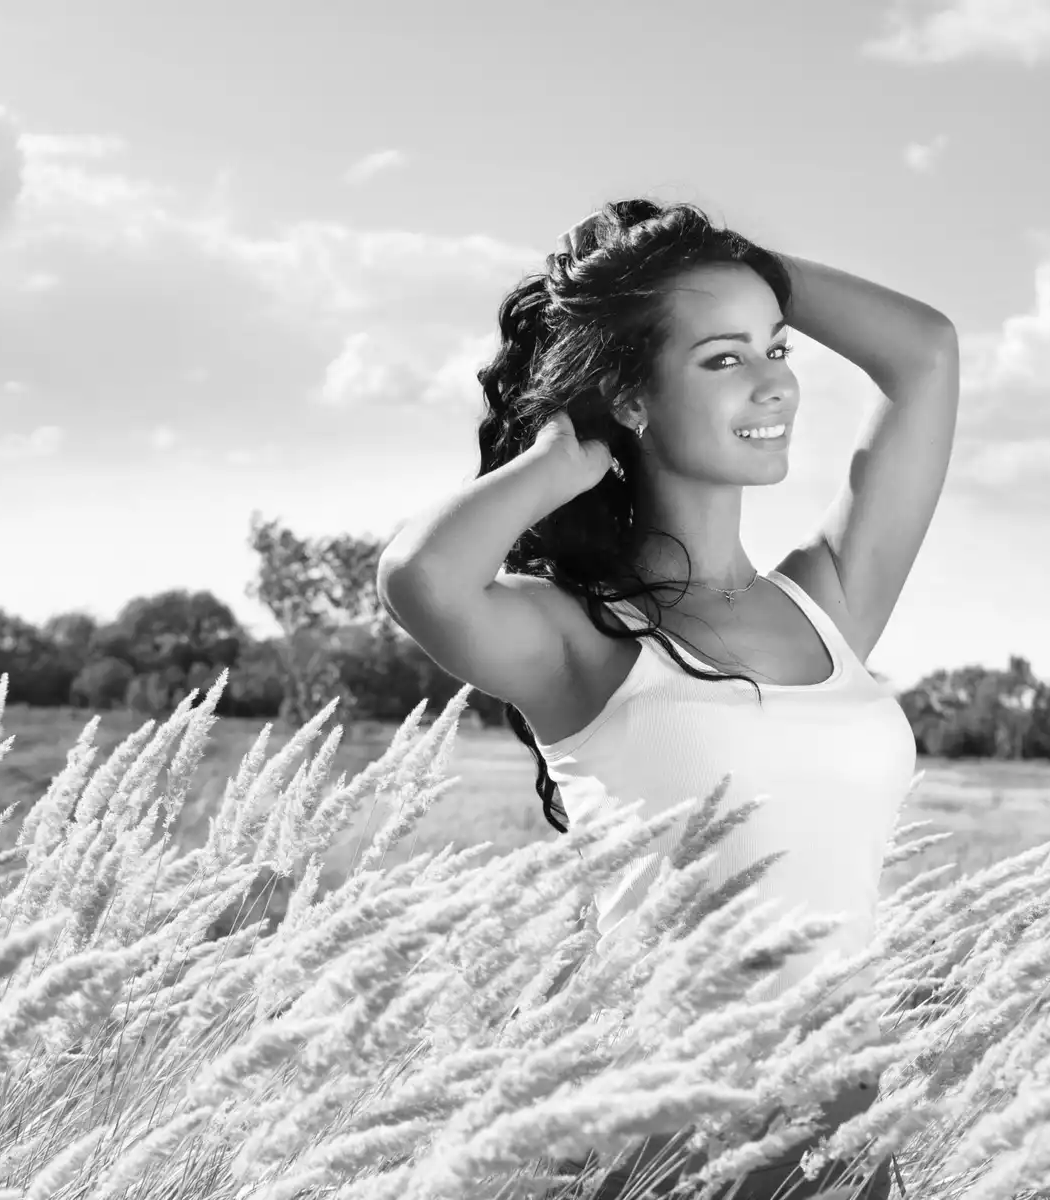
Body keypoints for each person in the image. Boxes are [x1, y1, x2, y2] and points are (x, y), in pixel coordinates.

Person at [377, 199, 958, 1198]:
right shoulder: (577, 638)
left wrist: (726, 262)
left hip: (844, 1133)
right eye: (723, 358)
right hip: (666, 1135)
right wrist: (563, 459)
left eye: (778, 349)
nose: (774, 380)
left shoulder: (829, 604)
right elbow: (424, 578)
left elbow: (927, 354)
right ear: (632, 398)